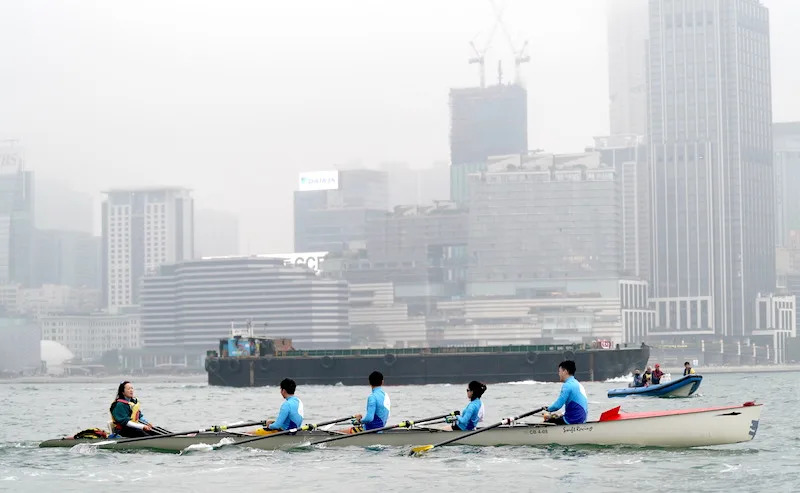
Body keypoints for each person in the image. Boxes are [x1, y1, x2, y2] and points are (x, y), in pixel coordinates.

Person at [541, 360, 588, 425]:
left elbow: (557, 406)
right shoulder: (578, 384)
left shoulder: (567, 385)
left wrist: (548, 409)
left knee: (546, 422)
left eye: (559, 371)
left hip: (572, 421)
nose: (559, 374)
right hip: (582, 420)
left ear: (565, 372)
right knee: (557, 417)